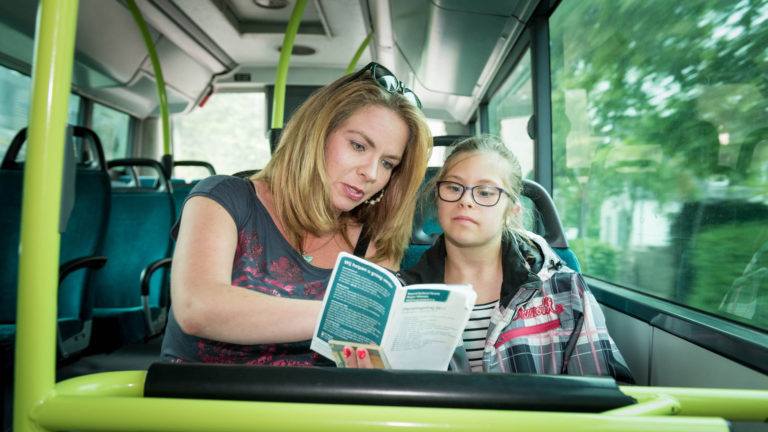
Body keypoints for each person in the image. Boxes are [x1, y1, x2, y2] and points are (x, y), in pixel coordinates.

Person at [160, 62, 432, 366]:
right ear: (316, 134)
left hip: (314, 409)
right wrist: (344, 318)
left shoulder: (373, 245)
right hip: (196, 405)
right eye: (358, 146)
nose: (370, 173)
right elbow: (197, 308)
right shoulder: (221, 198)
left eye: (387, 164)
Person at [394, 135, 634, 382]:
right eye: (454, 188)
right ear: (438, 197)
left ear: (512, 211)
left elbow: (605, 391)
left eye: (486, 192)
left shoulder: (563, 288)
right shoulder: (402, 296)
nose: (465, 200)